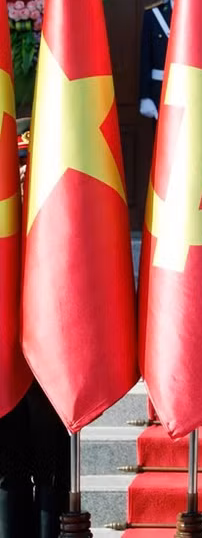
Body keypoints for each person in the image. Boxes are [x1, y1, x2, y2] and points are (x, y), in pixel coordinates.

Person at [0, 119, 70, 538]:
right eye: (19, 165)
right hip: (6, 356)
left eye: (33, 165)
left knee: (51, 472)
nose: (25, 174)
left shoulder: (62, 220)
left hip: (51, 358)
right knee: (7, 471)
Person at [138, 0, 179, 120]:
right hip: (160, 93)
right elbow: (145, 58)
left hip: (193, 92)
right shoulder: (154, 15)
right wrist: (145, 96)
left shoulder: (200, 15)